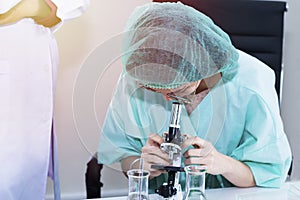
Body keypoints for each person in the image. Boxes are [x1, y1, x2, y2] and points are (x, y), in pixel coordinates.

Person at [98, 2, 292, 192]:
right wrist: (141, 166)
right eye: (154, 90)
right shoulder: (139, 75)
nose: (166, 98)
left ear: (204, 68)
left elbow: (269, 173)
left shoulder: (251, 83)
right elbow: (122, 153)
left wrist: (222, 164)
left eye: (176, 90)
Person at [0, 0, 89, 199]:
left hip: (33, 57)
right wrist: (21, 10)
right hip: (10, 56)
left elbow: (71, 5)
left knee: (25, 170)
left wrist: (38, 8)